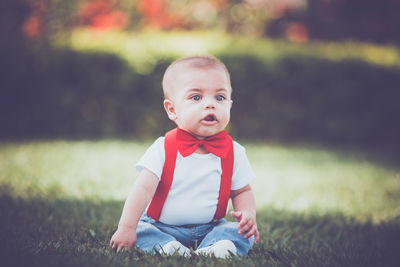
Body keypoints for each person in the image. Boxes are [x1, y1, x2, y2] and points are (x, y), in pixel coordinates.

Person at [110, 56, 259, 258]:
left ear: (229, 106)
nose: (210, 104)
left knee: (240, 233)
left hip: (211, 228)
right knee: (141, 230)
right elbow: (143, 189)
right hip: (161, 226)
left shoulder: (235, 152)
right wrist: (126, 227)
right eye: (196, 97)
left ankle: (215, 248)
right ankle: (169, 247)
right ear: (172, 110)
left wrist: (248, 215)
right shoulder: (162, 148)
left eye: (220, 97)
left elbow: (242, 191)